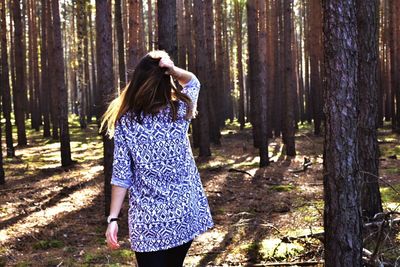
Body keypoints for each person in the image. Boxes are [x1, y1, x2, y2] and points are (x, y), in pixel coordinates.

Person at [100, 50, 214, 267]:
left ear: (138, 81)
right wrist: (173, 70)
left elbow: (122, 172)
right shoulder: (179, 110)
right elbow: (193, 82)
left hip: (148, 221)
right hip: (183, 212)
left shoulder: (127, 121)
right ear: (166, 81)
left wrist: (113, 218)